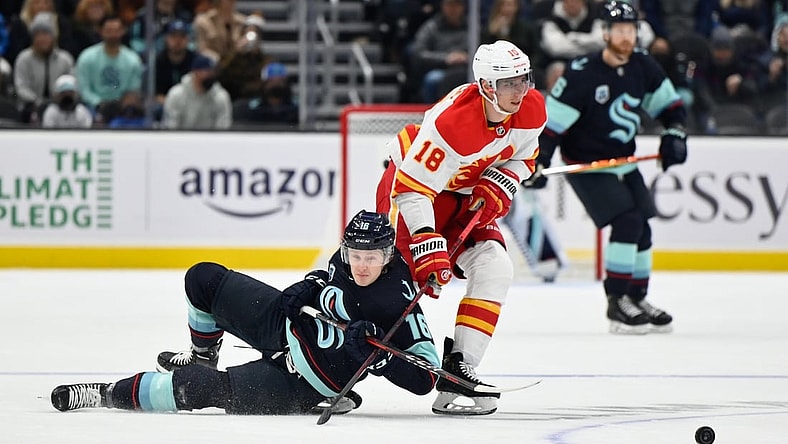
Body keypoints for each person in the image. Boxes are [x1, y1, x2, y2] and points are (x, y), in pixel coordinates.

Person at [50, 210, 440, 415]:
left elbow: (425, 380)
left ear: (387, 256)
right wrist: (312, 282)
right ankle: (204, 355)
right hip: (285, 325)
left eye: (371, 258)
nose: (362, 266)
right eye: (355, 255)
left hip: (304, 382)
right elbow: (330, 276)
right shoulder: (346, 256)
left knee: (199, 389)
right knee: (203, 279)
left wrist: (380, 360)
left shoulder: (399, 301)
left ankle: (105, 394)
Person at [376, 39, 546, 415]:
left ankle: (458, 369)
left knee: (496, 267)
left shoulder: (532, 108)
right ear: (486, 86)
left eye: (524, 80)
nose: (520, 90)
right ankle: (326, 360)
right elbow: (411, 188)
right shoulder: (452, 122)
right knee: (393, 284)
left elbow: (526, 157)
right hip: (414, 192)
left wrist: (504, 181)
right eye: (509, 83)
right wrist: (425, 241)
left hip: (464, 197)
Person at [526, 1, 687, 334]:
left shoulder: (643, 66)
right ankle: (617, 304)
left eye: (631, 30)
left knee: (642, 226)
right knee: (627, 221)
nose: (626, 37)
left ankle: (637, 298)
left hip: (623, 161)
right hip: (587, 164)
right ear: (605, 32)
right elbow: (552, 126)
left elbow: (671, 107)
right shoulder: (582, 72)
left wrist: (674, 135)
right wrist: (539, 161)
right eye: (619, 30)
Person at [74, 14, 143, 111]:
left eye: (116, 31)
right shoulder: (87, 57)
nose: (113, 35)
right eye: (108, 31)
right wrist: (98, 103)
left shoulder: (133, 60)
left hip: (123, 108)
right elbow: (84, 89)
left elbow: (133, 90)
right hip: (93, 107)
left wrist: (122, 104)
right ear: (100, 31)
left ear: (123, 31)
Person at [161, 53, 232, 129]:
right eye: (207, 71)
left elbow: (223, 128)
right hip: (181, 139)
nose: (211, 75)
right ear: (195, 72)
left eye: (213, 72)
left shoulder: (221, 97)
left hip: (211, 139)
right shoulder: (176, 95)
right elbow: (170, 126)